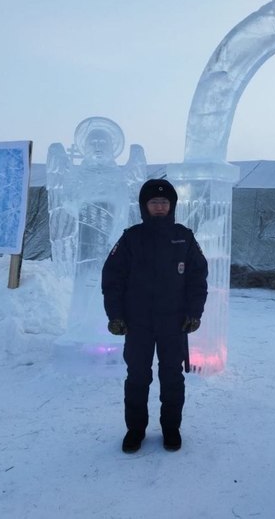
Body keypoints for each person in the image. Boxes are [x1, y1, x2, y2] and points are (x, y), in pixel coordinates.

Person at [102, 178, 208, 454]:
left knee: (172, 376)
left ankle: (171, 428)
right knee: (137, 376)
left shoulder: (184, 237)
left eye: (164, 202)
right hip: (138, 323)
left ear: (171, 205)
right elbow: (112, 278)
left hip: (173, 322)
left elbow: (198, 277)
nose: (159, 207)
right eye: (154, 202)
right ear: (144, 206)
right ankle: (135, 430)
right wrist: (116, 315)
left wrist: (194, 313)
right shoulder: (131, 238)